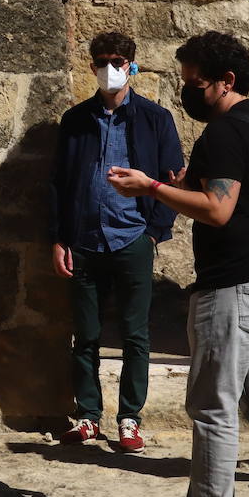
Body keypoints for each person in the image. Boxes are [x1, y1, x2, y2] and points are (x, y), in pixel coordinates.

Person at [108, 30, 249, 497]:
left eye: (192, 81)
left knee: (212, 406)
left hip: (233, 288)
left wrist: (150, 187)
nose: (186, 89)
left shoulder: (221, 134)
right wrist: (182, 184)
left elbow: (218, 210)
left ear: (225, 81)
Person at [49, 31, 183, 453]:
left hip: (131, 238)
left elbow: (172, 177)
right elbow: (59, 184)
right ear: (91, 66)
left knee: (134, 333)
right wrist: (59, 239)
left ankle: (129, 417)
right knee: (85, 333)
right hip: (84, 241)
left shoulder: (155, 119)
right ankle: (88, 416)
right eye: (103, 60)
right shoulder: (75, 120)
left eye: (119, 60)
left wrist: (153, 231)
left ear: (132, 65)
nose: (111, 67)